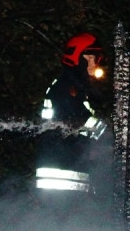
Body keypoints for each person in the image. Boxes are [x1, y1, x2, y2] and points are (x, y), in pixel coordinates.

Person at [36, 32, 109, 195]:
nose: (95, 62)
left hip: (70, 168)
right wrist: (110, 132)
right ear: (78, 57)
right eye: (91, 57)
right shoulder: (66, 86)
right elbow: (76, 117)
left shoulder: (77, 88)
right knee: (62, 218)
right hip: (59, 174)